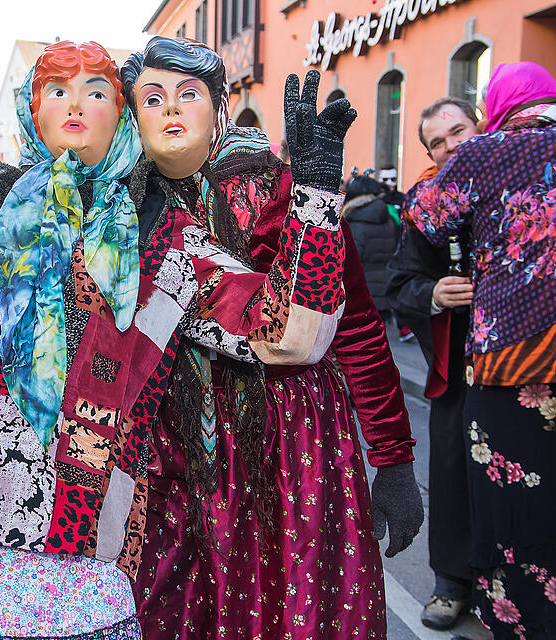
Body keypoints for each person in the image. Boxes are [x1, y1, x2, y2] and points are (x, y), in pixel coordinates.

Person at [0, 9, 347, 639]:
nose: (76, 103)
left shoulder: (162, 245)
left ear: (123, 116)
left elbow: (287, 335)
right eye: (57, 89)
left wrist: (316, 195)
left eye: (97, 90)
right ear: (33, 111)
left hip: (72, 550)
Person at [116, 36, 420, 639]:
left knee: (291, 605)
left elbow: (354, 320)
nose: (171, 110)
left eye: (188, 94)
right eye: (152, 98)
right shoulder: (118, 203)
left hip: (289, 445)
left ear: (218, 105)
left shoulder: (275, 186)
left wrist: (393, 458)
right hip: (169, 447)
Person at [407, 61, 556, 640]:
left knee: (511, 508)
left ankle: (522, 624)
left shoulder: (487, 154)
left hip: (510, 366)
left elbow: (424, 215)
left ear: (491, 112)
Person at [387, 96, 480, 631]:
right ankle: (451, 585)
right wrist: (434, 293)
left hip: (524, 369)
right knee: (450, 475)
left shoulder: (518, 191)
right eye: (436, 143)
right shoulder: (426, 205)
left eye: (457, 132)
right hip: (459, 368)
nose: (449, 147)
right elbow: (400, 283)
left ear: (481, 125)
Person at [342, 174, 401, 325]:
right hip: (385, 288)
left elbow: (348, 260)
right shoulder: (388, 217)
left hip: (361, 292)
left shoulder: (356, 221)